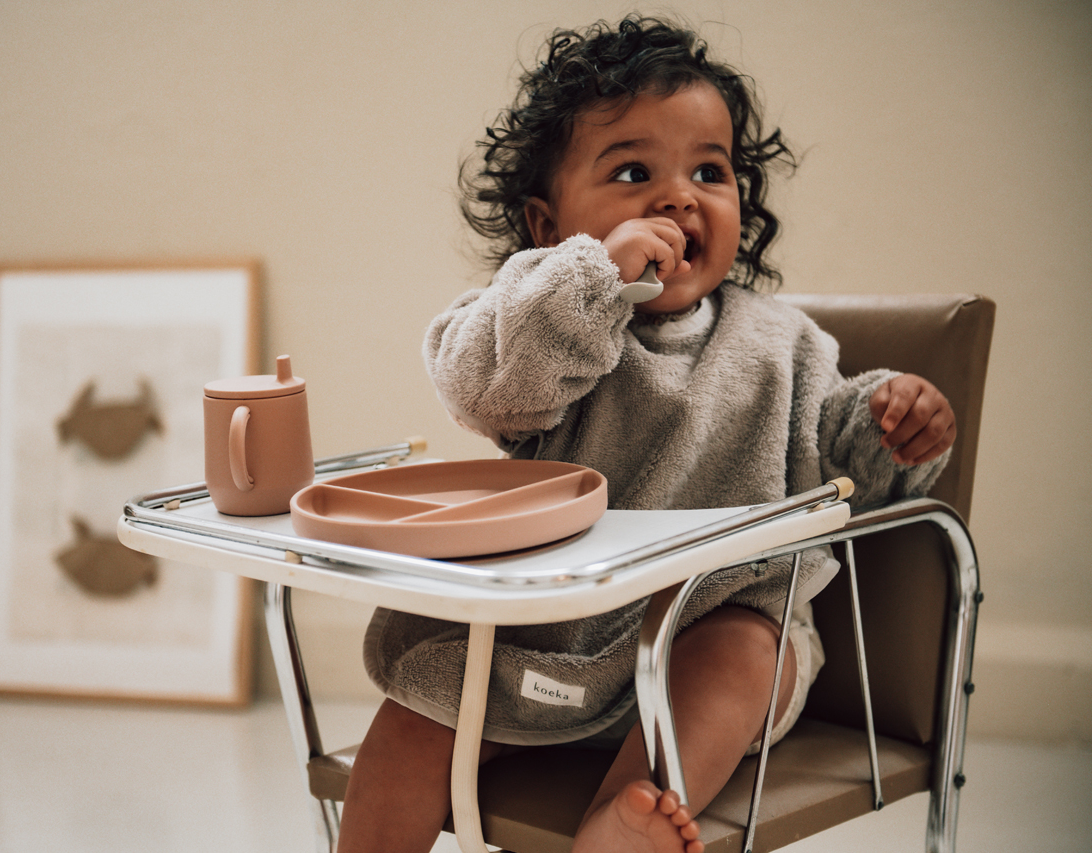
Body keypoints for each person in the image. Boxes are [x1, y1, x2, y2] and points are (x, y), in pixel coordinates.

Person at [340, 15, 956, 853]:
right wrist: (591, 278)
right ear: (549, 225)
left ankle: (623, 820)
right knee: (411, 723)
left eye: (711, 170)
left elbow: (843, 469)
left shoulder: (782, 341)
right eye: (634, 172)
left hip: (709, 634)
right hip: (551, 642)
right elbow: (480, 385)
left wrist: (894, 425)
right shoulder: (547, 322)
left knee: (746, 653)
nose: (678, 197)